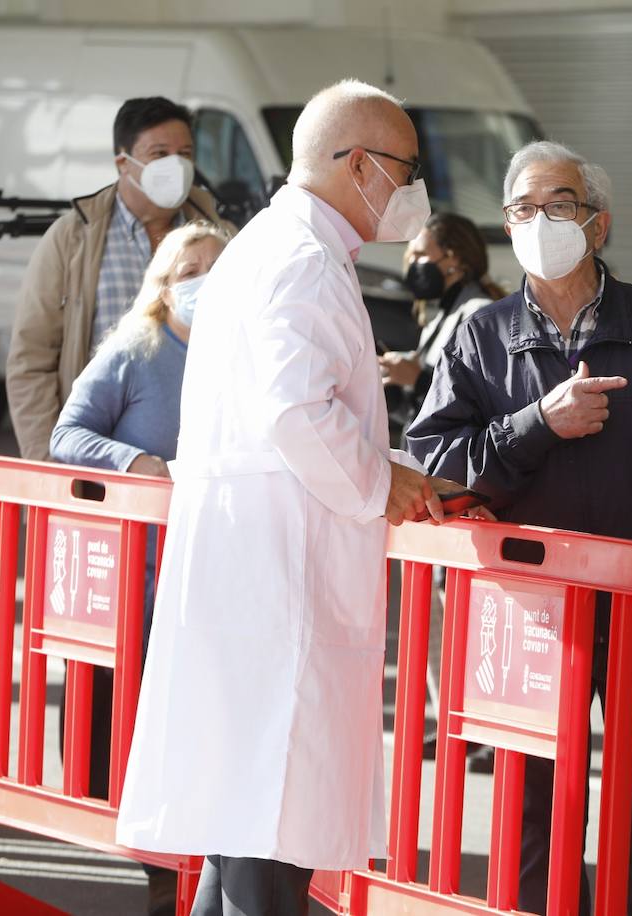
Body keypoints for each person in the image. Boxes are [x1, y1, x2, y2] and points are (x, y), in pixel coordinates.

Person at [116, 79, 446, 916]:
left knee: (244, 838)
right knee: (268, 838)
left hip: (256, 574)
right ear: (361, 164)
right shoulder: (299, 257)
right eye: (407, 167)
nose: (415, 189)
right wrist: (384, 480)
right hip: (279, 583)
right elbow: (295, 408)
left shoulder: (273, 246)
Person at [406, 139, 632, 915]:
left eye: (559, 205)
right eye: (523, 208)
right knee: (532, 807)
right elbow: (436, 463)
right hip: (529, 614)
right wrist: (535, 425)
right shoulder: (478, 335)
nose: (539, 221)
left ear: (597, 225)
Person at [50, 220, 227, 916]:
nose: (204, 278)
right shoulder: (134, 350)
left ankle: (191, 871)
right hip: (142, 586)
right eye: (191, 266)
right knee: (138, 735)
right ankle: (161, 880)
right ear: (162, 281)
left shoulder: (239, 352)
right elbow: (69, 433)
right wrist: (138, 464)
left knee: (201, 733)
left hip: (215, 578)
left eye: (217, 263)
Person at [7, 96, 233, 462]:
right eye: (159, 153)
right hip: (91, 460)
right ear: (123, 163)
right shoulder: (73, 238)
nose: (175, 165)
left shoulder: (220, 237)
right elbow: (31, 358)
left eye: (185, 153)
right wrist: (48, 467)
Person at [380, 211, 507, 432]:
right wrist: (393, 394)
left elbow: (485, 401)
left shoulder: (479, 313)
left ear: (454, 258)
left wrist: (418, 379)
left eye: (419, 255)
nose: (412, 264)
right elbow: (426, 413)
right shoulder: (436, 322)